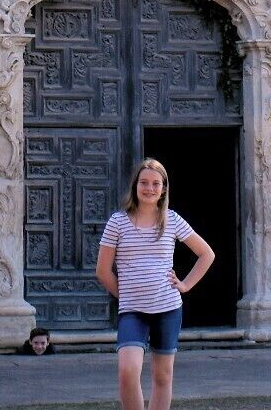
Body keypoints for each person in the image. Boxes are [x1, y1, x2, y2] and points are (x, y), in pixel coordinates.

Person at [97, 158, 215, 410]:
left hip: (168, 308)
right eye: (144, 183)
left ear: (163, 189)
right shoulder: (117, 222)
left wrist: (185, 285)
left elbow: (207, 254)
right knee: (128, 372)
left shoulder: (172, 220)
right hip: (132, 312)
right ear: (135, 186)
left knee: (163, 376)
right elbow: (103, 271)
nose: (149, 188)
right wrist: (128, 294)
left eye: (155, 183)